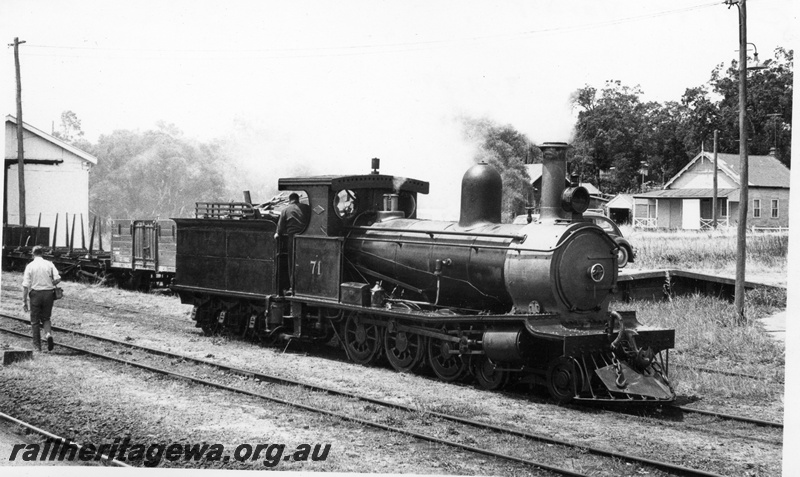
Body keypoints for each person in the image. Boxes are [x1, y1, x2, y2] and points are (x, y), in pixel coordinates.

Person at [22, 246, 61, 352]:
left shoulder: (30, 266)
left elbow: (26, 285)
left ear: (32, 253)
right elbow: (58, 278)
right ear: (42, 253)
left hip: (35, 294)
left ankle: (37, 347)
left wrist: (24, 301)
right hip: (49, 294)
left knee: (35, 321)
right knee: (46, 318)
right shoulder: (49, 264)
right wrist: (51, 283)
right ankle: (48, 334)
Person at [274, 193, 310, 292]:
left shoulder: (285, 210)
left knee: (292, 262)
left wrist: (277, 234)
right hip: (306, 237)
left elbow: (280, 228)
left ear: (290, 200)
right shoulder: (306, 208)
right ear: (298, 199)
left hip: (293, 238)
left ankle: (292, 287)